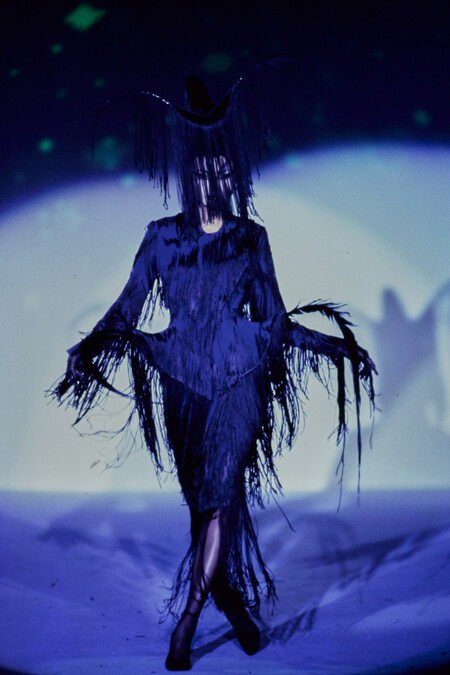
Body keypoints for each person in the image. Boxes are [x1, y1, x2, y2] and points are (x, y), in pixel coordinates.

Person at [51, 66, 376, 671]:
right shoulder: (160, 238)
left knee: (222, 492)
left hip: (239, 379)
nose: (213, 179)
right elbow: (128, 306)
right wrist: (90, 344)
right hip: (180, 378)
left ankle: (190, 618)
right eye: (203, 169)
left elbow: (274, 321)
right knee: (204, 506)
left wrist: (338, 348)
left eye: (223, 169)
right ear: (188, 173)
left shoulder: (251, 238)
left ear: (233, 174)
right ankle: (231, 601)